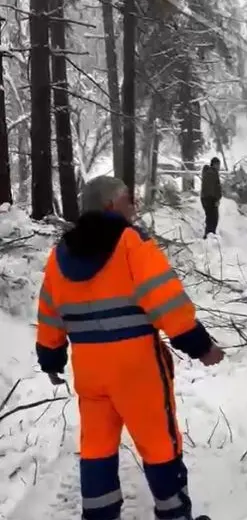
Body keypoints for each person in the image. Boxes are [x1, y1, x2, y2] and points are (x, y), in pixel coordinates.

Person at [35, 176, 224, 520]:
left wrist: (51, 358)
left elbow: (49, 313)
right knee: (159, 444)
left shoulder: (60, 254)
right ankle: (175, 515)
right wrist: (201, 346)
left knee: (96, 448)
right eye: (128, 200)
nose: (134, 207)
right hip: (137, 370)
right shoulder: (130, 243)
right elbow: (166, 301)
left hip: (90, 373)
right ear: (110, 205)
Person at [200, 158, 222, 237]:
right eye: (218, 165)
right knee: (213, 218)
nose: (219, 167)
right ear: (215, 164)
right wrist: (215, 199)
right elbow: (212, 188)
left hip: (207, 198)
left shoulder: (212, 172)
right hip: (209, 199)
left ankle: (210, 235)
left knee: (211, 218)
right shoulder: (211, 173)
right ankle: (209, 236)